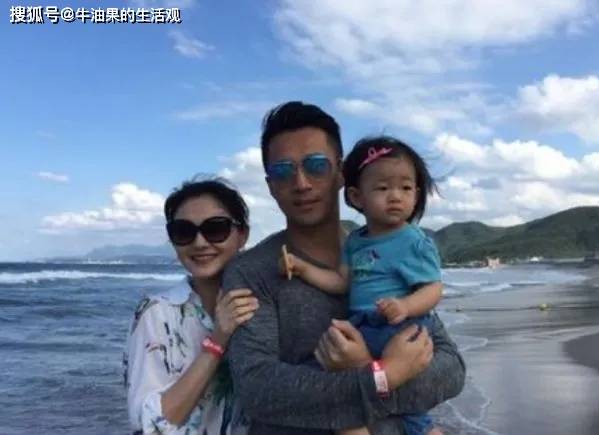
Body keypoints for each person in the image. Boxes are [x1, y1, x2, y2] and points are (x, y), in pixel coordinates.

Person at [223, 101, 466, 434]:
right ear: (270, 185)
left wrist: (368, 372)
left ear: (340, 173)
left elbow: (451, 370)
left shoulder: (391, 248)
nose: (301, 182)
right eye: (283, 171)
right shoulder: (251, 272)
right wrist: (381, 376)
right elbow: (259, 390)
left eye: (316, 165)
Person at [280, 135, 444, 435]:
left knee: (407, 406)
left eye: (406, 188)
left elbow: (433, 289)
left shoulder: (413, 241)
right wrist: (303, 268)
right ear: (357, 197)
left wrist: (405, 305)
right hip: (363, 325)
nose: (395, 196)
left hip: (399, 326)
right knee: (332, 377)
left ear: (417, 194)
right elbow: (341, 282)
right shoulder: (356, 240)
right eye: (382, 188)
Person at [124, 178, 259, 435]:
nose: (199, 242)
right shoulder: (157, 314)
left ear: (242, 235)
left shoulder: (263, 306)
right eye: (184, 232)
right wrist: (218, 340)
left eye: (215, 228)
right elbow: (150, 426)